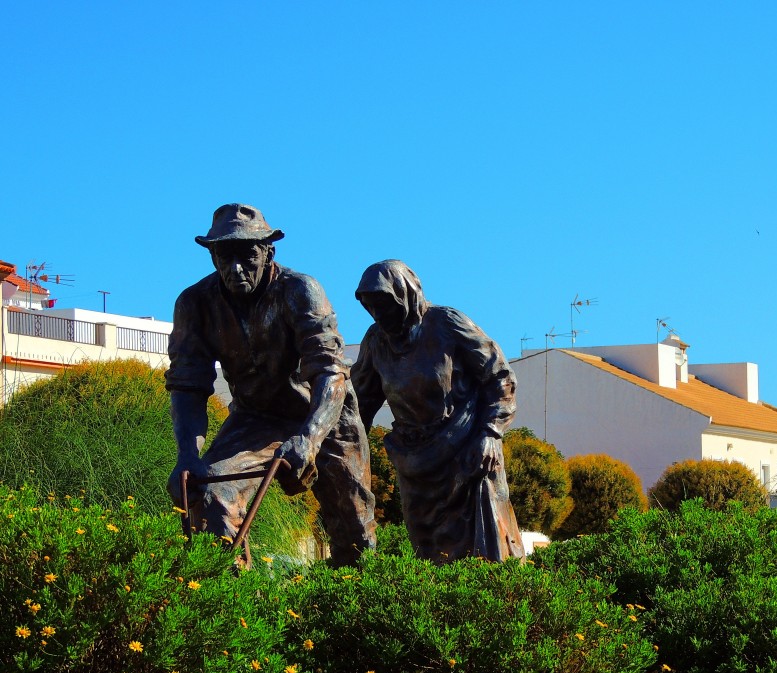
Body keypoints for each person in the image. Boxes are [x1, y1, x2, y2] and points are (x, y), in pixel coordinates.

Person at [166, 203, 375, 566]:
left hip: (324, 414)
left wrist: (310, 438)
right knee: (213, 490)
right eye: (223, 256)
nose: (235, 268)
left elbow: (329, 371)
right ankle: (233, 607)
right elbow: (188, 385)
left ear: (268, 252)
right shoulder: (194, 304)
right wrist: (187, 454)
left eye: (247, 255)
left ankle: (359, 611)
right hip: (255, 419)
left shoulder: (300, 291)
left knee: (355, 533)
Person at [351, 259, 524, 563]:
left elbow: (499, 377)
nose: (378, 313)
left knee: (485, 548)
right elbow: (358, 405)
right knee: (429, 552)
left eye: (385, 303)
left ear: (406, 294)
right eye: (370, 306)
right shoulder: (375, 342)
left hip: (469, 453)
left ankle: (498, 609)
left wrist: (490, 433)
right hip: (416, 465)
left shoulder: (446, 324)